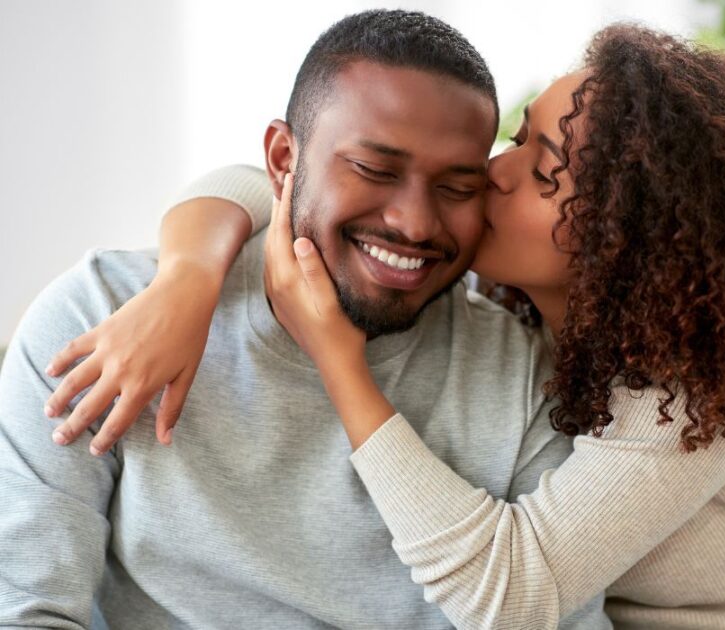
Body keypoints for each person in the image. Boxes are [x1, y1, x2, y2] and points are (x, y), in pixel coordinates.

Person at [41, 24, 725, 630]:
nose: (493, 174)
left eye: (542, 171)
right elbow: (279, 176)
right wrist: (187, 280)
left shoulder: (693, 393)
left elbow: (510, 593)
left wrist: (340, 362)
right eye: (518, 138)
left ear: (625, 238)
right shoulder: (540, 318)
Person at [0, 10, 610, 629]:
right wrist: (190, 273)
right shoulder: (103, 315)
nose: (416, 223)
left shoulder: (526, 381)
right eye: (376, 170)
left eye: (458, 186)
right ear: (283, 157)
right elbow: (29, 613)